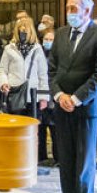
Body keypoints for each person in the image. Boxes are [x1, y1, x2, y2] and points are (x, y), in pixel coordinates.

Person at [47, 0, 97, 193]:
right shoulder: (62, 34)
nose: (70, 11)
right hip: (62, 105)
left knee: (84, 159)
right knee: (66, 157)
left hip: (86, 107)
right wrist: (59, 95)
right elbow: (52, 69)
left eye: (74, 8)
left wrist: (76, 98)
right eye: (68, 7)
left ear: (87, 11)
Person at [0, 16, 49, 116]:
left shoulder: (37, 49)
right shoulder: (9, 49)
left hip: (33, 96)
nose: (23, 33)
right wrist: (4, 83)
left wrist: (43, 97)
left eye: (25, 30)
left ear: (31, 32)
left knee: (31, 128)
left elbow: (42, 74)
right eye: (20, 30)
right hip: (14, 93)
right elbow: (2, 70)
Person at [38, 28, 58, 166]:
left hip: (55, 95)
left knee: (56, 130)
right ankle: (41, 156)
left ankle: (58, 158)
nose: (48, 42)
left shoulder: (59, 55)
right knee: (40, 129)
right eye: (46, 39)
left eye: (51, 40)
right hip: (40, 95)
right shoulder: (38, 53)